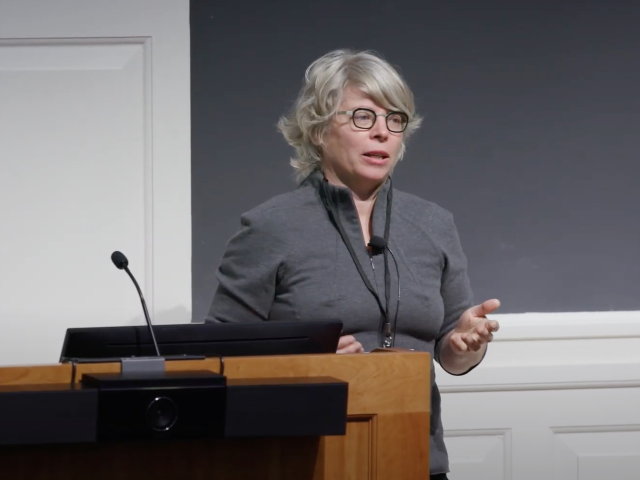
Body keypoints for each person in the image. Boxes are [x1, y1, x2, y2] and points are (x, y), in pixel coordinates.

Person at [205, 49, 500, 480]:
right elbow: (218, 352)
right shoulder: (271, 227)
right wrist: (301, 359)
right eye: (363, 117)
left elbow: (450, 354)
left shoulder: (434, 224)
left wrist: (462, 346)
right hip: (306, 461)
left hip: (416, 459)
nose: (382, 132)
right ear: (320, 129)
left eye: (394, 120)